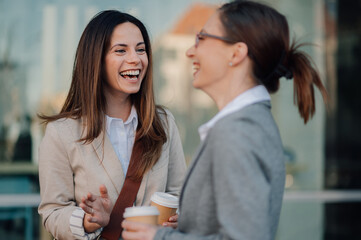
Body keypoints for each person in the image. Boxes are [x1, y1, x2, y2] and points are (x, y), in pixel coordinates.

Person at [121, 1, 328, 239]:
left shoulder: (238, 132)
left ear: (236, 53)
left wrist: (157, 237)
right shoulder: (248, 123)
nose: (190, 51)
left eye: (202, 38)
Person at [38, 10, 186, 240]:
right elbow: (52, 212)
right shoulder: (62, 132)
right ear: (95, 59)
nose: (135, 59)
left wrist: (178, 219)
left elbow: (180, 197)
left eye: (141, 49)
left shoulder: (164, 124)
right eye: (121, 50)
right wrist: (87, 220)